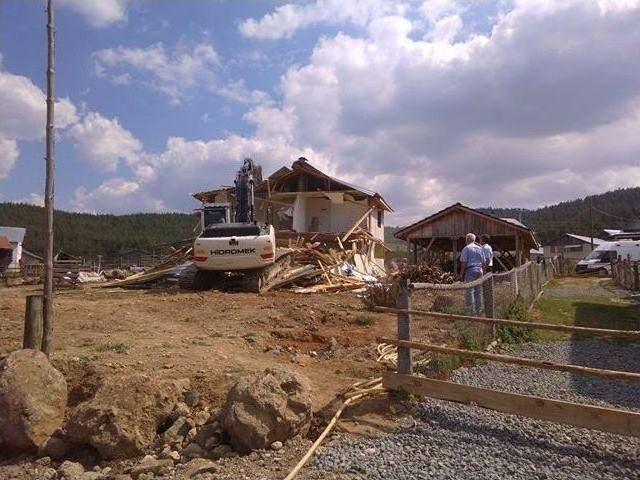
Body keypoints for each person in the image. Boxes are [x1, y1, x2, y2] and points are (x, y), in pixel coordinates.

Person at [460, 233, 486, 315]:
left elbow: (464, 263)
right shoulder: (480, 248)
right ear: (474, 240)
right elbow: (484, 261)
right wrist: (482, 270)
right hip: (479, 269)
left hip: (471, 270)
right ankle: (479, 310)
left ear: (467, 240)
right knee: (478, 291)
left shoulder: (466, 248)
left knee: (469, 290)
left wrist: (461, 274)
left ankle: (471, 311)